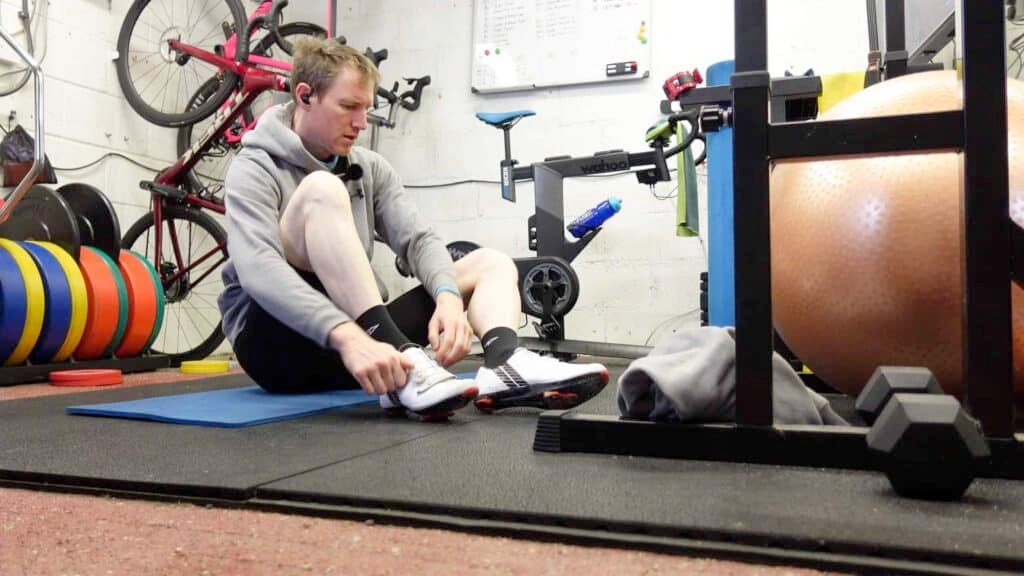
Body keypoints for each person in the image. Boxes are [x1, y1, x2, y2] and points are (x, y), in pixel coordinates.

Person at [218, 36, 608, 419]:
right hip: (278, 349)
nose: (360, 123)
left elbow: (419, 241)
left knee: (490, 262)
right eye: (348, 106)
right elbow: (258, 271)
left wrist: (449, 299)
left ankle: (505, 364)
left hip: (365, 349)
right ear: (305, 96)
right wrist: (350, 336)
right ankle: (403, 355)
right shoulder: (255, 165)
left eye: (366, 108)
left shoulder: (369, 168)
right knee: (321, 189)